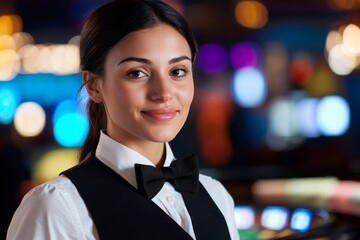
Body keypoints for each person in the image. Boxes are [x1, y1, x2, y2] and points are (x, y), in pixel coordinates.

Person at [7, 0, 240, 239]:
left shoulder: (217, 196)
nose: (163, 92)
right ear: (93, 85)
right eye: (137, 73)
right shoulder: (56, 208)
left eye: (177, 71)